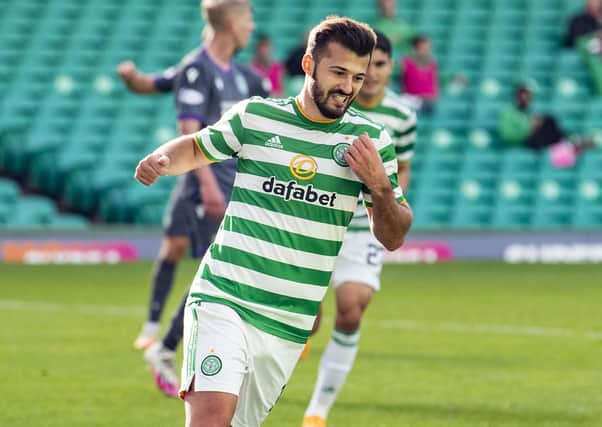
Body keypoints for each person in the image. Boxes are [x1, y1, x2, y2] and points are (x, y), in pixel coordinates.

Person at [134, 16, 413, 427]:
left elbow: (392, 237)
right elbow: (196, 147)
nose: (348, 87)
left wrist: (381, 188)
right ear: (308, 65)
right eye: (338, 72)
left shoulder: (371, 143)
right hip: (224, 295)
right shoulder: (257, 118)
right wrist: (162, 160)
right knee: (210, 420)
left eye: (357, 76)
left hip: (288, 320)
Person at [117, 0, 271, 397]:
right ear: (232, 22)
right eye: (249, 18)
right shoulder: (197, 69)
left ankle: (164, 342)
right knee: (211, 270)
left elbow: (153, 83)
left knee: (196, 261)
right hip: (206, 187)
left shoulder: (241, 77)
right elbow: (189, 130)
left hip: (226, 186)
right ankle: (164, 343)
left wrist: (134, 79)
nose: (252, 27)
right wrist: (207, 185)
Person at [301, 31, 416, 427]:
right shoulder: (324, 105)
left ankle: (317, 410)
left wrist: (384, 201)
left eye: (380, 65)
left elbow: (402, 170)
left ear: (390, 67)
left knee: (350, 312)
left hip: (360, 227)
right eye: (365, 68)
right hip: (317, 218)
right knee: (306, 317)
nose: (372, 74)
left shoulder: (402, 117)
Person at [498, 83, 593, 167]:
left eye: (529, 96)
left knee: (549, 121)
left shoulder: (529, 112)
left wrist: (535, 124)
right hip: (524, 142)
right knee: (549, 123)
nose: (527, 98)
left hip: (539, 140)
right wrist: (529, 129)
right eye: (524, 95)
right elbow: (507, 135)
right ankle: (571, 142)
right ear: (517, 96)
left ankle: (570, 144)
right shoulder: (508, 113)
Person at [400, 34, 439, 114]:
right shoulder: (405, 63)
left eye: (428, 48)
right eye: (423, 48)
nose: (426, 51)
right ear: (415, 49)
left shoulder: (433, 64)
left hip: (429, 102)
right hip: (411, 99)